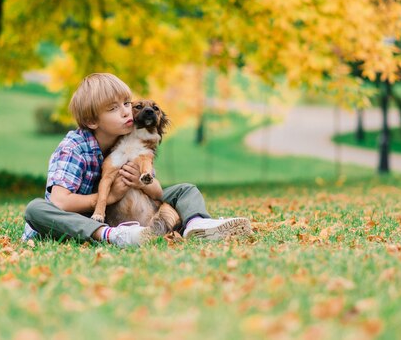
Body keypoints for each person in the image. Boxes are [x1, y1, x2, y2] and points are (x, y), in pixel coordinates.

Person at [22, 73, 252, 248]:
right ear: (93, 121)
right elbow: (61, 202)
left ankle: (197, 224)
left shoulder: (127, 139)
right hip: (76, 220)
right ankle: (113, 235)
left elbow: (157, 191)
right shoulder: (74, 148)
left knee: (184, 190)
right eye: (114, 108)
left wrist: (143, 183)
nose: (126, 112)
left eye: (127, 103)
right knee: (35, 209)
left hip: (120, 210)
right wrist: (110, 196)